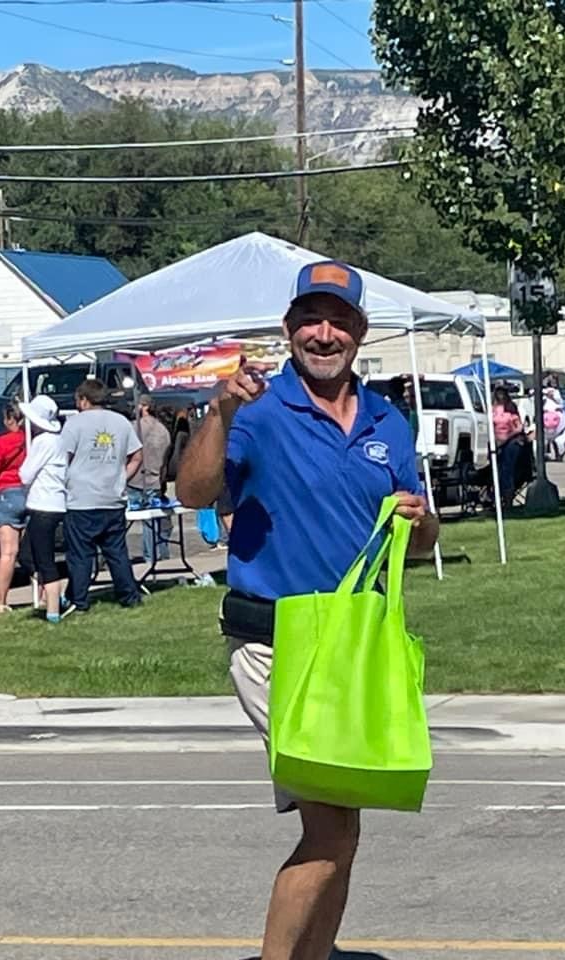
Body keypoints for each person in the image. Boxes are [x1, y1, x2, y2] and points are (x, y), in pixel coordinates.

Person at [176, 259, 439, 960]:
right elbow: (195, 494)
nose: (325, 333)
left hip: (354, 647)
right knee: (332, 829)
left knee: (342, 826)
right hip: (277, 641)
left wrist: (422, 524)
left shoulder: (389, 421)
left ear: (359, 331)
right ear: (290, 329)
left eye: (339, 320)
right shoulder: (256, 412)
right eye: (311, 320)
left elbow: (419, 542)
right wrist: (221, 412)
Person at [60, 378, 143, 613]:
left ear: (84, 400)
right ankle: (129, 596)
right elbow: (137, 455)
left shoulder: (74, 424)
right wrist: (121, 478)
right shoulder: (121, 422)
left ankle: (79, 600)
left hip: (81, 498)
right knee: (116, 552)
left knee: (80, 555)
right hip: (112, 497)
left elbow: (62, 458)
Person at [18, 395, 67, 624]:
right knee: (29, 555)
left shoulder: (42, 442)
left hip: (43, 505)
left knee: (43, 559)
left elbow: (25, 474)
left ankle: (54, 610)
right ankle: (55, 596)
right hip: (55, 503)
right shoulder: (59, 440)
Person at [127, 394, 172, 562]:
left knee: (121, 524)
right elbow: (165, 460)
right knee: (152, 523)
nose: (133, 408)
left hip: (134, 480)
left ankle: (141, 558)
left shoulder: (134, 428)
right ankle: (155, 556)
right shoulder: (163, 430)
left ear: (144, 406)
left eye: (136, 405)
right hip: (154, 480)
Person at [0, 402, 26, 612]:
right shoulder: (33, 440)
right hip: (31, 493)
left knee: (8, 553)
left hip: (7, 492)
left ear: (9, 420)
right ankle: (44, 595)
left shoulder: (4, 442)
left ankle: (1, 601)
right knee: (36, 551)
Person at [491, 386, 525, 504]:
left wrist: (508, 436)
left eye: (503, 393)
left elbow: (519, 427)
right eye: (498, 393)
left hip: (511, 440)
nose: (500, 396)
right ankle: (494, 495)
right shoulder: (492, 409)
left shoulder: (511, 408)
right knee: (496, 469)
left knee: (507, 468)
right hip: (496, 441)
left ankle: (508, 497)